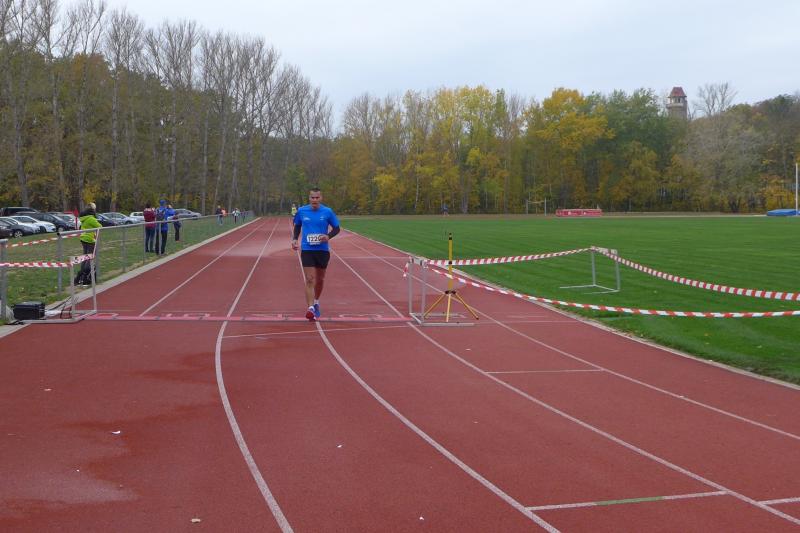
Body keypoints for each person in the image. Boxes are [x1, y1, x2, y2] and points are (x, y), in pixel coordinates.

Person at [291, 188, 340, 321]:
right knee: (310, 279)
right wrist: (295, 239)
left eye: (317, 197)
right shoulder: (302, 211)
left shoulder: (327, 211)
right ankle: (310, 308)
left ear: (321, 198)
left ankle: (316, 301)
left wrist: (328, 236)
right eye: (312, 197)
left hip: (322, 250)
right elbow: (297, 226)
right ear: (309, 198)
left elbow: (337, 228)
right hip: (307, 249)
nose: (314, 200)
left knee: (320, 279)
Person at [74, 202, 101, 286]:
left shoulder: (83, 217)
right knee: (89, 258)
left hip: (83, 238)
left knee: (85, 257)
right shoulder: (91, 218)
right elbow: (100, 226)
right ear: (93, 210)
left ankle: (80, 277)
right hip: (90, 239)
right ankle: (85, 277)